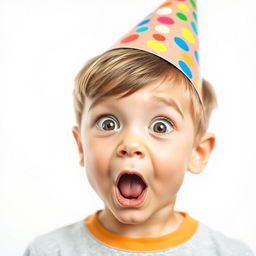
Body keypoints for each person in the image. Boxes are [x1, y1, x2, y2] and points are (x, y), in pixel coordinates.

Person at [23, 1, 254, 255]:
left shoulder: (228, 252)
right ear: (81, 146)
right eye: (108, 123)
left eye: (160, 126)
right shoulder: (48, 251)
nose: (130, 144)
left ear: (197, 153)